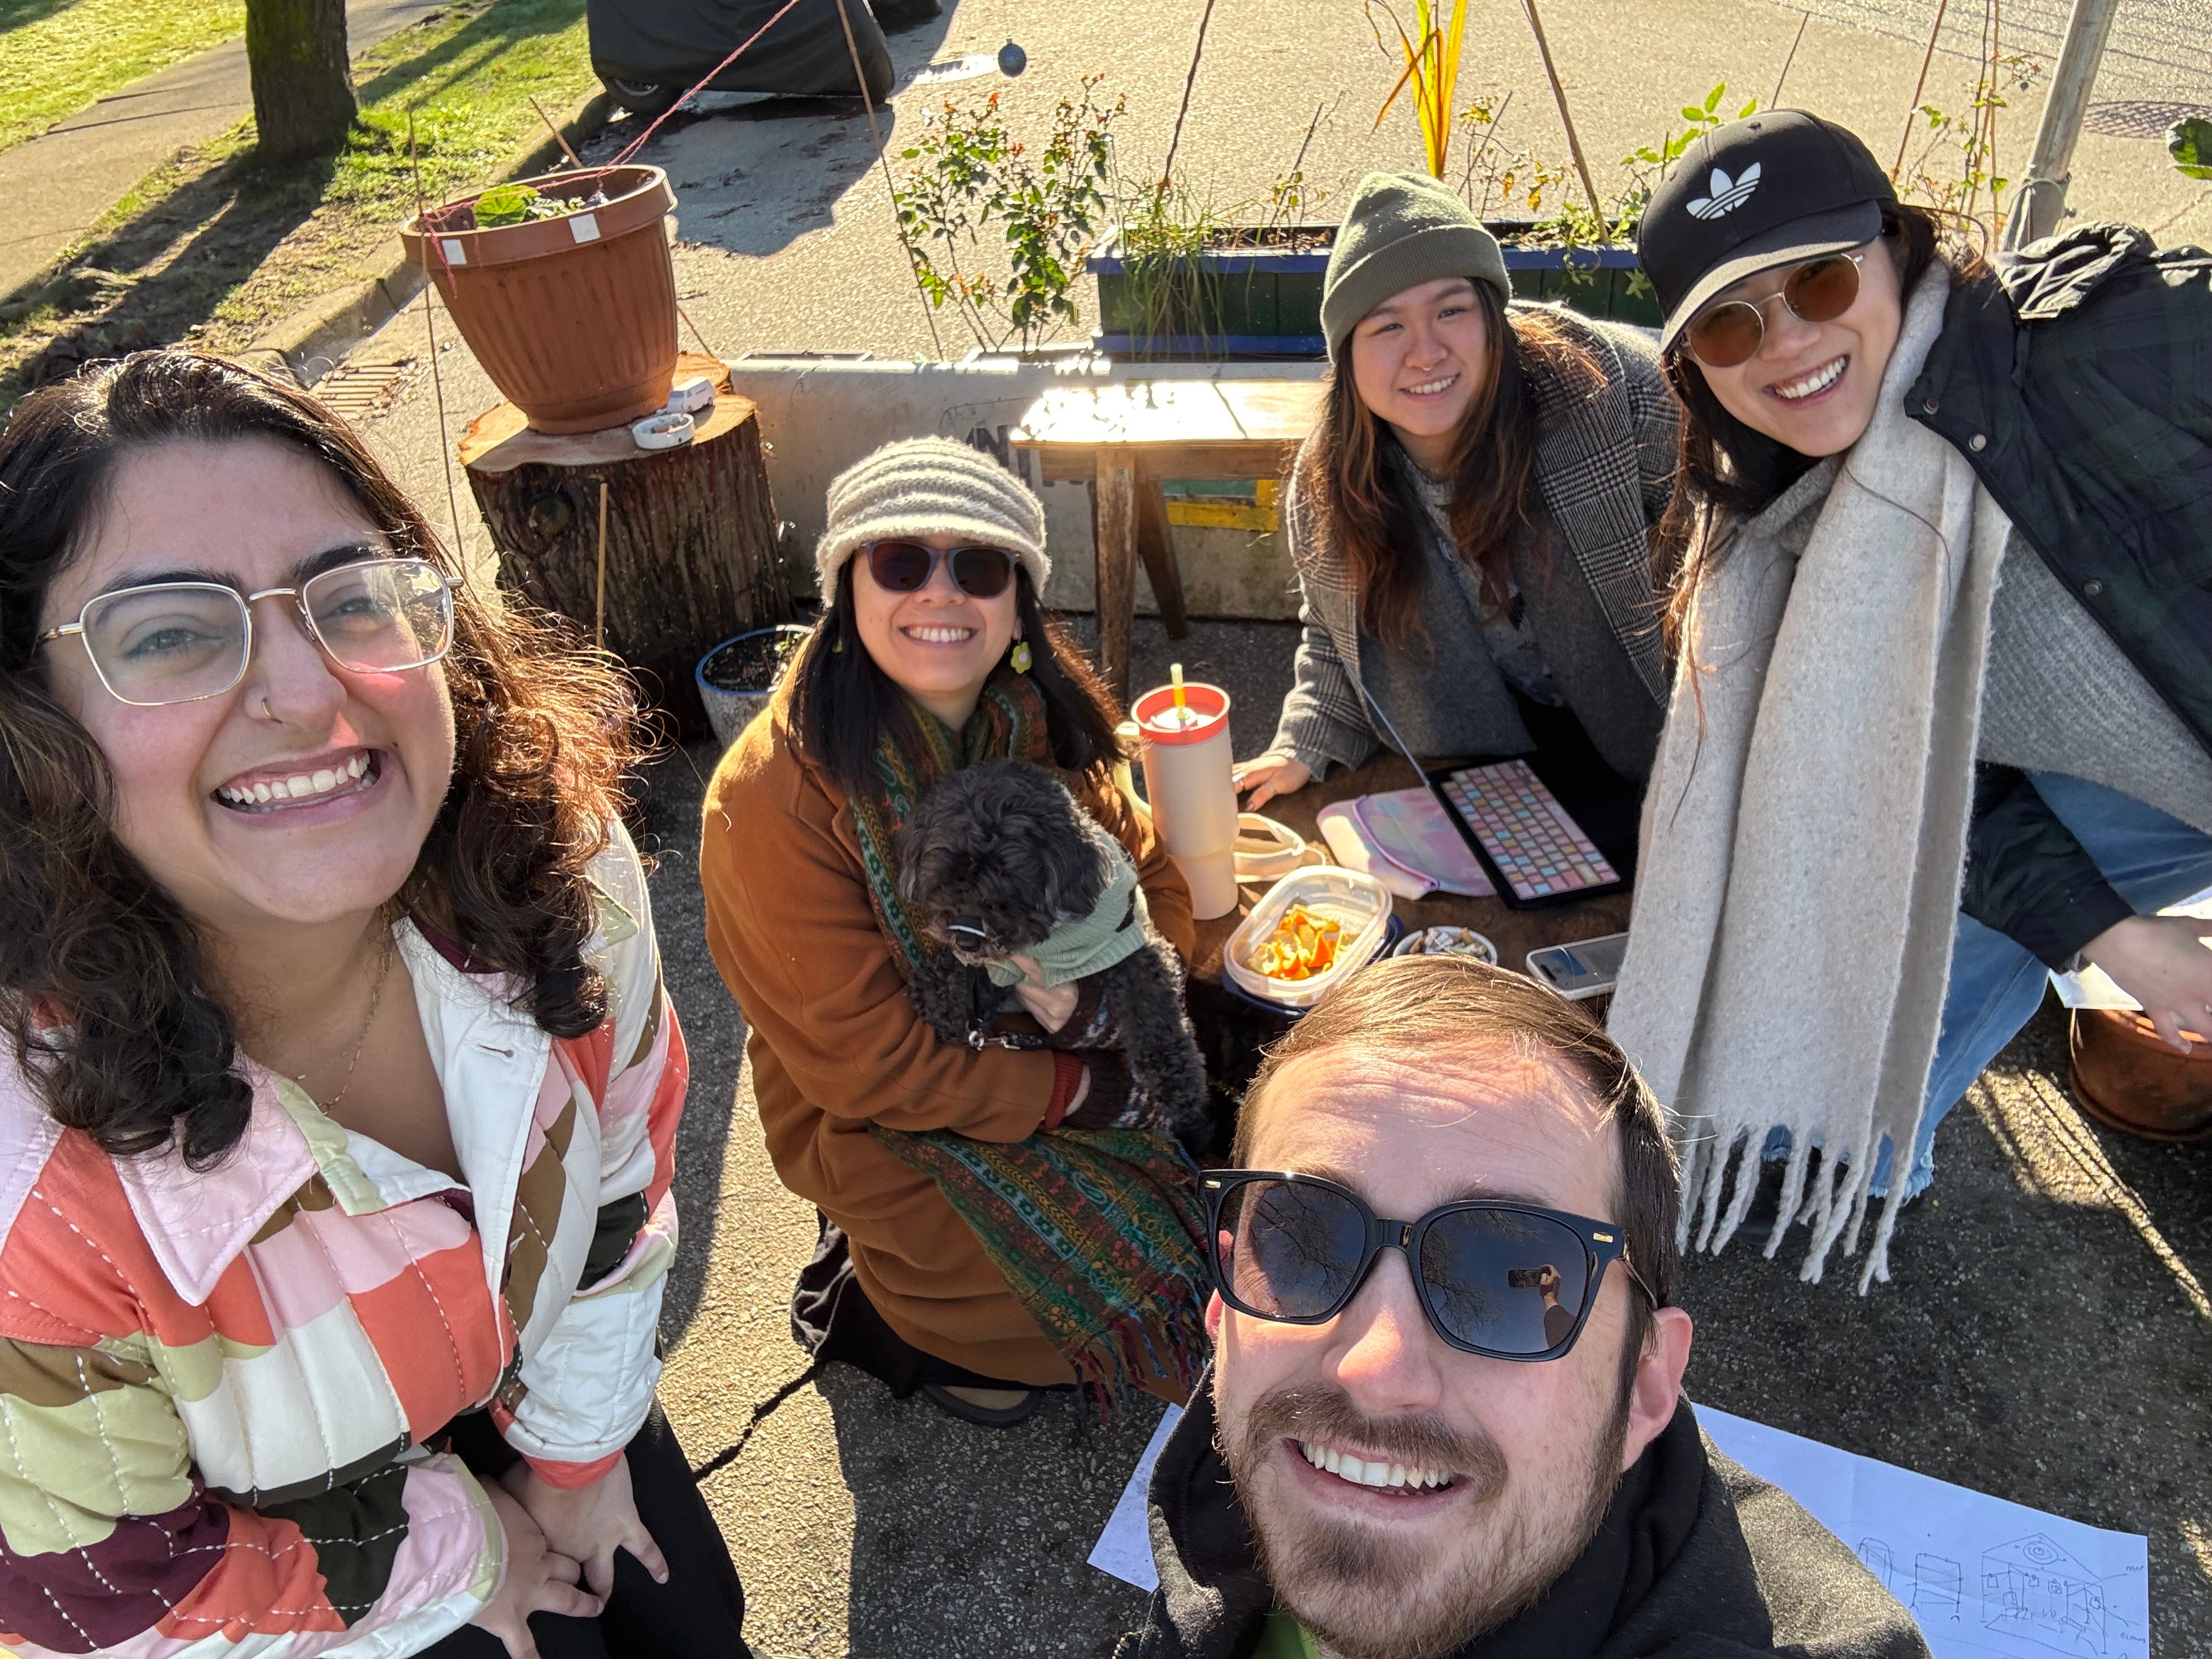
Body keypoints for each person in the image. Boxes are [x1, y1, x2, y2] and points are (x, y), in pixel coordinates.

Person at [0, 353, 749, 1659]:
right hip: (274, 1561)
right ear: (30, 724)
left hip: (538, 1368)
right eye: (169, 632)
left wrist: (575, 1454)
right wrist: (463, 1555)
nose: (305, 693)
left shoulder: (556, 871)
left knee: (690, 1623)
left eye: (351, 600)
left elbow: (624, 1169)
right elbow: (100, 1586)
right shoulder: (26, 1201)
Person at [1609, 111, 2212, 1287]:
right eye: (1734, 321)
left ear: (1899, 251)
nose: (1786, 343)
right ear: (1695, 367)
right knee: (1921, 882)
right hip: (2142, 757)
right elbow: (1916, 789)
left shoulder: (2125, 340)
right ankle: (1867, 1145)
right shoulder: (1779, 530)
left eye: (1821, 281)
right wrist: (2119, 941)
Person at [1117, 954, 1931, 1659]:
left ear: (1647, 1384)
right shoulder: (1216, 1490)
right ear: (1226, 1314)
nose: (1376, 1367)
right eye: (1303, 1246)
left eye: (1511, 1274)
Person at [699, 437, 1207, 1429]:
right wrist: (1085, 1085)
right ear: (845, 587)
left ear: (1018, 603)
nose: (940, 593)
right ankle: (925, 1335)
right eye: (899, 561)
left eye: (977, 566)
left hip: (1050, 1040)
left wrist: (1107, 1008)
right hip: (890, 1116)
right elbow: (869, 1068)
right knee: (1096, 1275)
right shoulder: (767, 800)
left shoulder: (1042, 723)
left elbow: (1153, 879)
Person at [1233, 172, 1677, 827]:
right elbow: (1336, 629)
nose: (1426, 352)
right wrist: (1308, 736)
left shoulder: (1621, 395)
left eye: (1451, 310)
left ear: (1493, 318)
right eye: (1387, 327)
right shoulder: (1329, 481)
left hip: (1663, 747)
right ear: (1346, 358)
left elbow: (1739, 566)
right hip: (1492, 771)